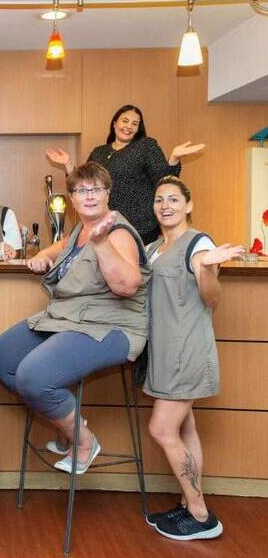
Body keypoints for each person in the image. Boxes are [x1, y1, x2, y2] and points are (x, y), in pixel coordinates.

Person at [0, 162, 150, 475]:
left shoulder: (118, 233)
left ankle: (83, 440)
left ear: (108, 193)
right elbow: (62, 247)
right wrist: (42, 256)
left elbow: (127, 286)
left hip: (110, 326)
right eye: (81, 190)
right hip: (67, 318)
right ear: (72, 199)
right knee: (2, 357)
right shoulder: (79, 230)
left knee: (33, 376)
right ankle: (69, 425)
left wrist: (102, 244)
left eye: (96, 189)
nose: (89, 196)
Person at [143, 177, 243, 541]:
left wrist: (207, 269)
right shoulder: (153, 248)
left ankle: (200, 514)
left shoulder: (199, 244)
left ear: (188, 205)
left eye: (173, 199)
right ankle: (188, 503)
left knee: (161, 429)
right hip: (163, 354)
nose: (165, 205)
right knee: (186, 428)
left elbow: (212, 298)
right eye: (159, 199)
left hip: (186, 352)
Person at [46, 104, 204, 244]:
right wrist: (67, 164)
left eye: (135, 124)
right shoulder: (99, 152)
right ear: (115, 123)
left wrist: (174, 158)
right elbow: (85, 183)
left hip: (141, 228)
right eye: (125, 121)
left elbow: (164, 181)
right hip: (106, 225)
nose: (129, 126)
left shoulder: (145, 146)